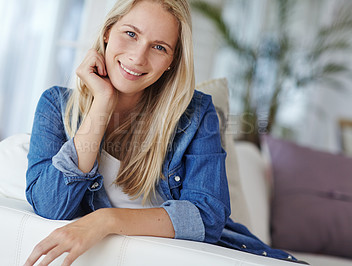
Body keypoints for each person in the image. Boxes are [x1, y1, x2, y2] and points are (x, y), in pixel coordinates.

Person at [24, 0, 302, 265]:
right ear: (108, 31)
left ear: (172, 60)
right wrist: (103, 103)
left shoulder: (197, 114)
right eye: (130, 34)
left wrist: (107, 220)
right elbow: (51, 205)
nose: (138, 57)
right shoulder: (56, 106)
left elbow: (207, 217)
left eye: (159, 47)